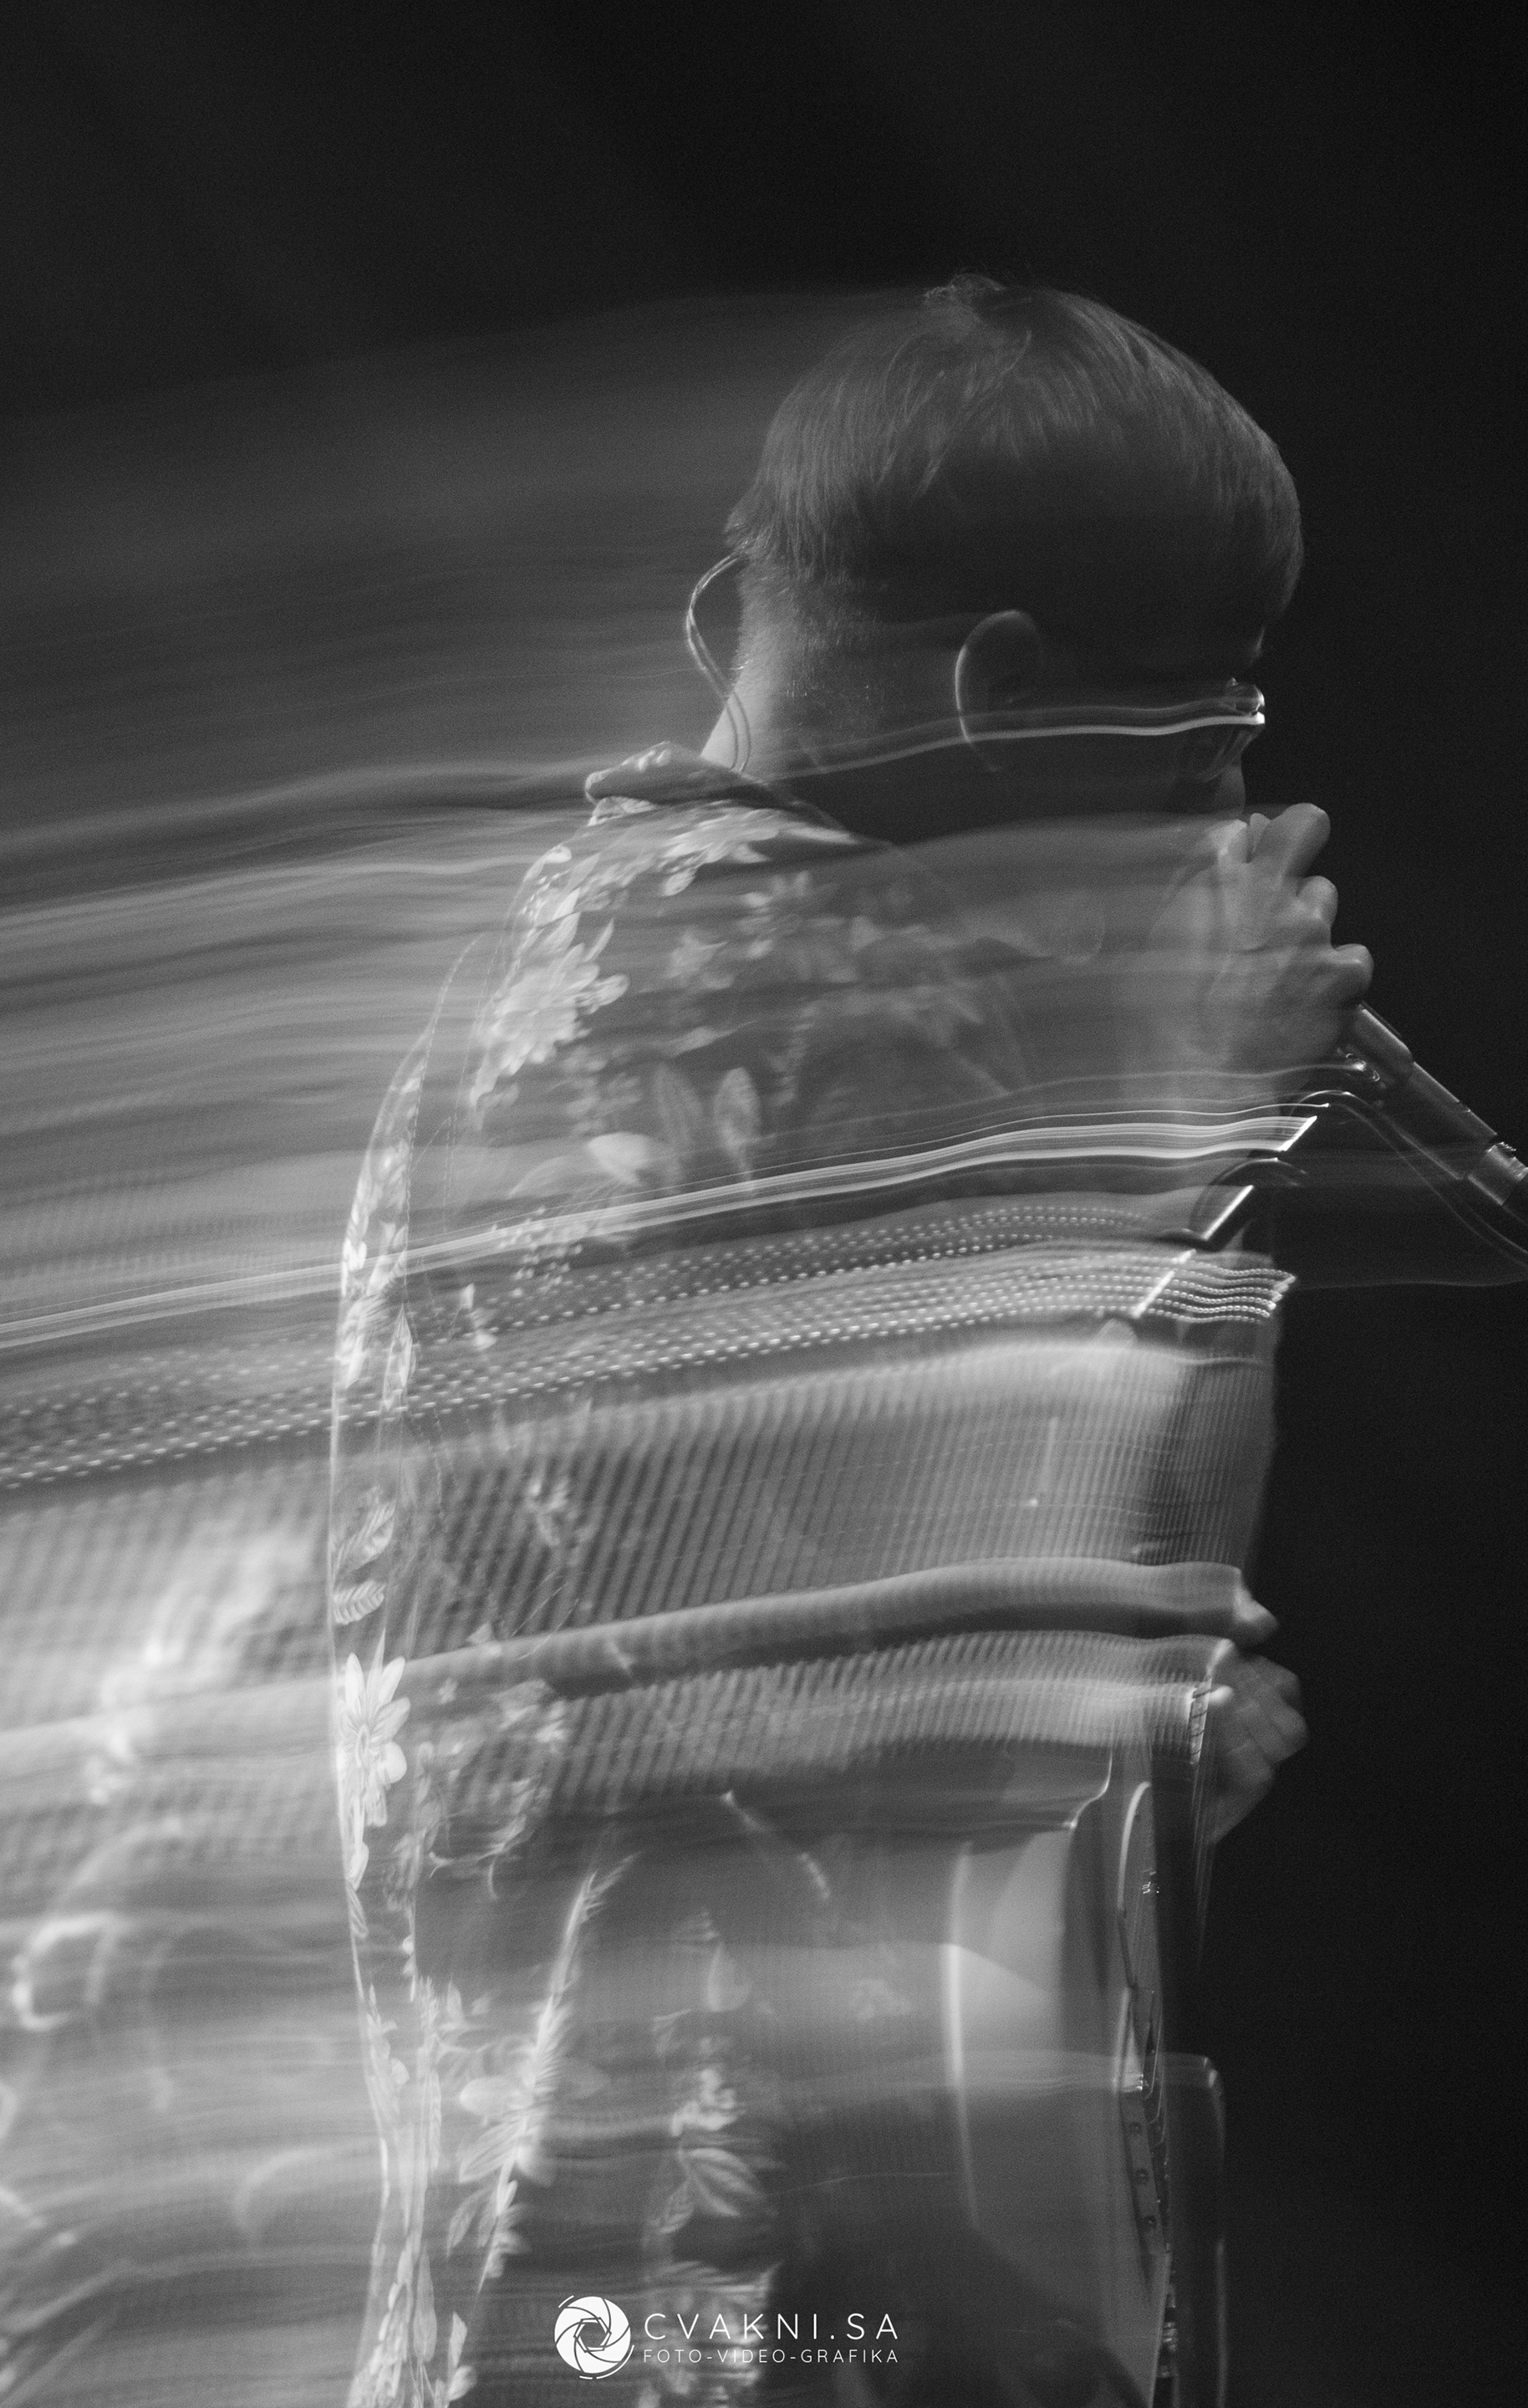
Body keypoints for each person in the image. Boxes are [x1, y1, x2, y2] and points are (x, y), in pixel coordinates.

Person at [327, 278, 1348, 2406]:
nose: (1218, 815)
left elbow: (1044, 1653)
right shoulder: (753, 995)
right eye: (1199, 748)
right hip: (707, 2280)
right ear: (999, 687)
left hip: (724, 2240)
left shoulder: (689, 954)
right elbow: (959, 1689)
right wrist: (1187, 1126)